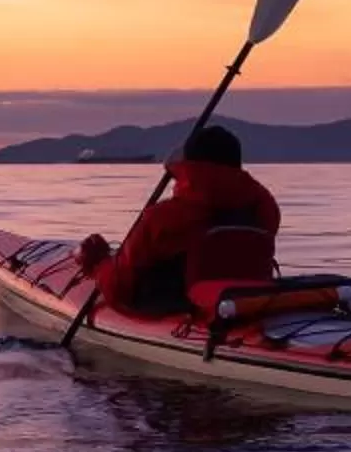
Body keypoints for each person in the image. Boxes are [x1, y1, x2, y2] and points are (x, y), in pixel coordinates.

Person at [80, 124, 281, 316]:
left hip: (180, 311)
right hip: (248, 304)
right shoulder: (264, 210)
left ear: (188, 165)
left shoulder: (162, 219)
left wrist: (99, 265)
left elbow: (119, 287)